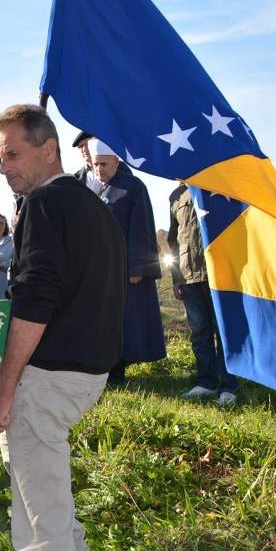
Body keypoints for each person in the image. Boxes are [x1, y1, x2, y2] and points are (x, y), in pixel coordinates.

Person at [0, 104, 125, 551]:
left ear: (49, 150)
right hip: (88, 375)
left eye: (13, 155)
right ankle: (75, 550)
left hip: (47, 379)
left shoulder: (44, 204)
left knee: (38, 520)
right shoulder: (94, 210)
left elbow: (35, 298)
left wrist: (6, 386)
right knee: (38, 502)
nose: (4, 168)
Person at [89, 138, 166, 386]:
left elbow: (142, 229)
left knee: (124, 321)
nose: (99, 170)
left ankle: (118, 370)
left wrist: (137, 267)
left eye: (104, 164)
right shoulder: (96, 188)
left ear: (116, 161)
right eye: (96, 164)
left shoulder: (133, 187)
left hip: (124, 270)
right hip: (100, 271)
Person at [167, 183, 240, 405]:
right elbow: (173, 241)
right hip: (189, 277)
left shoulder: (213, 182)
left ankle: (228, 386)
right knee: (199, 332)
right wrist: (176, 278)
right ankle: (206, 383)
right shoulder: (175, 196)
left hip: (218, 276)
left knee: (223, 332)